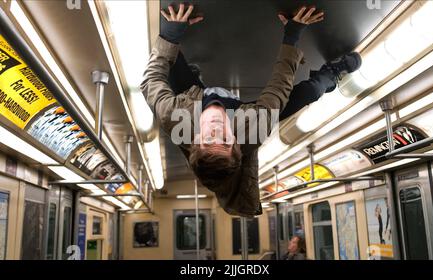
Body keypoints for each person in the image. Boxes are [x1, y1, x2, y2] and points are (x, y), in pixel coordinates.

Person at [141, 4, 361, 217]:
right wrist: (292, 34)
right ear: (236, 142)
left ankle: (192, 72)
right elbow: (279, 86)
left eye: (209, 139)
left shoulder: (175, 117)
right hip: (242, 112)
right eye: (225, 140)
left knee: (166, 44)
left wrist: (172, 33)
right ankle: (332, 73)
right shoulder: (254, 129)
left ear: (195, 138)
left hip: (194, 96)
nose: (217, 129)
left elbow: (151, 80)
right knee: (309, 93)